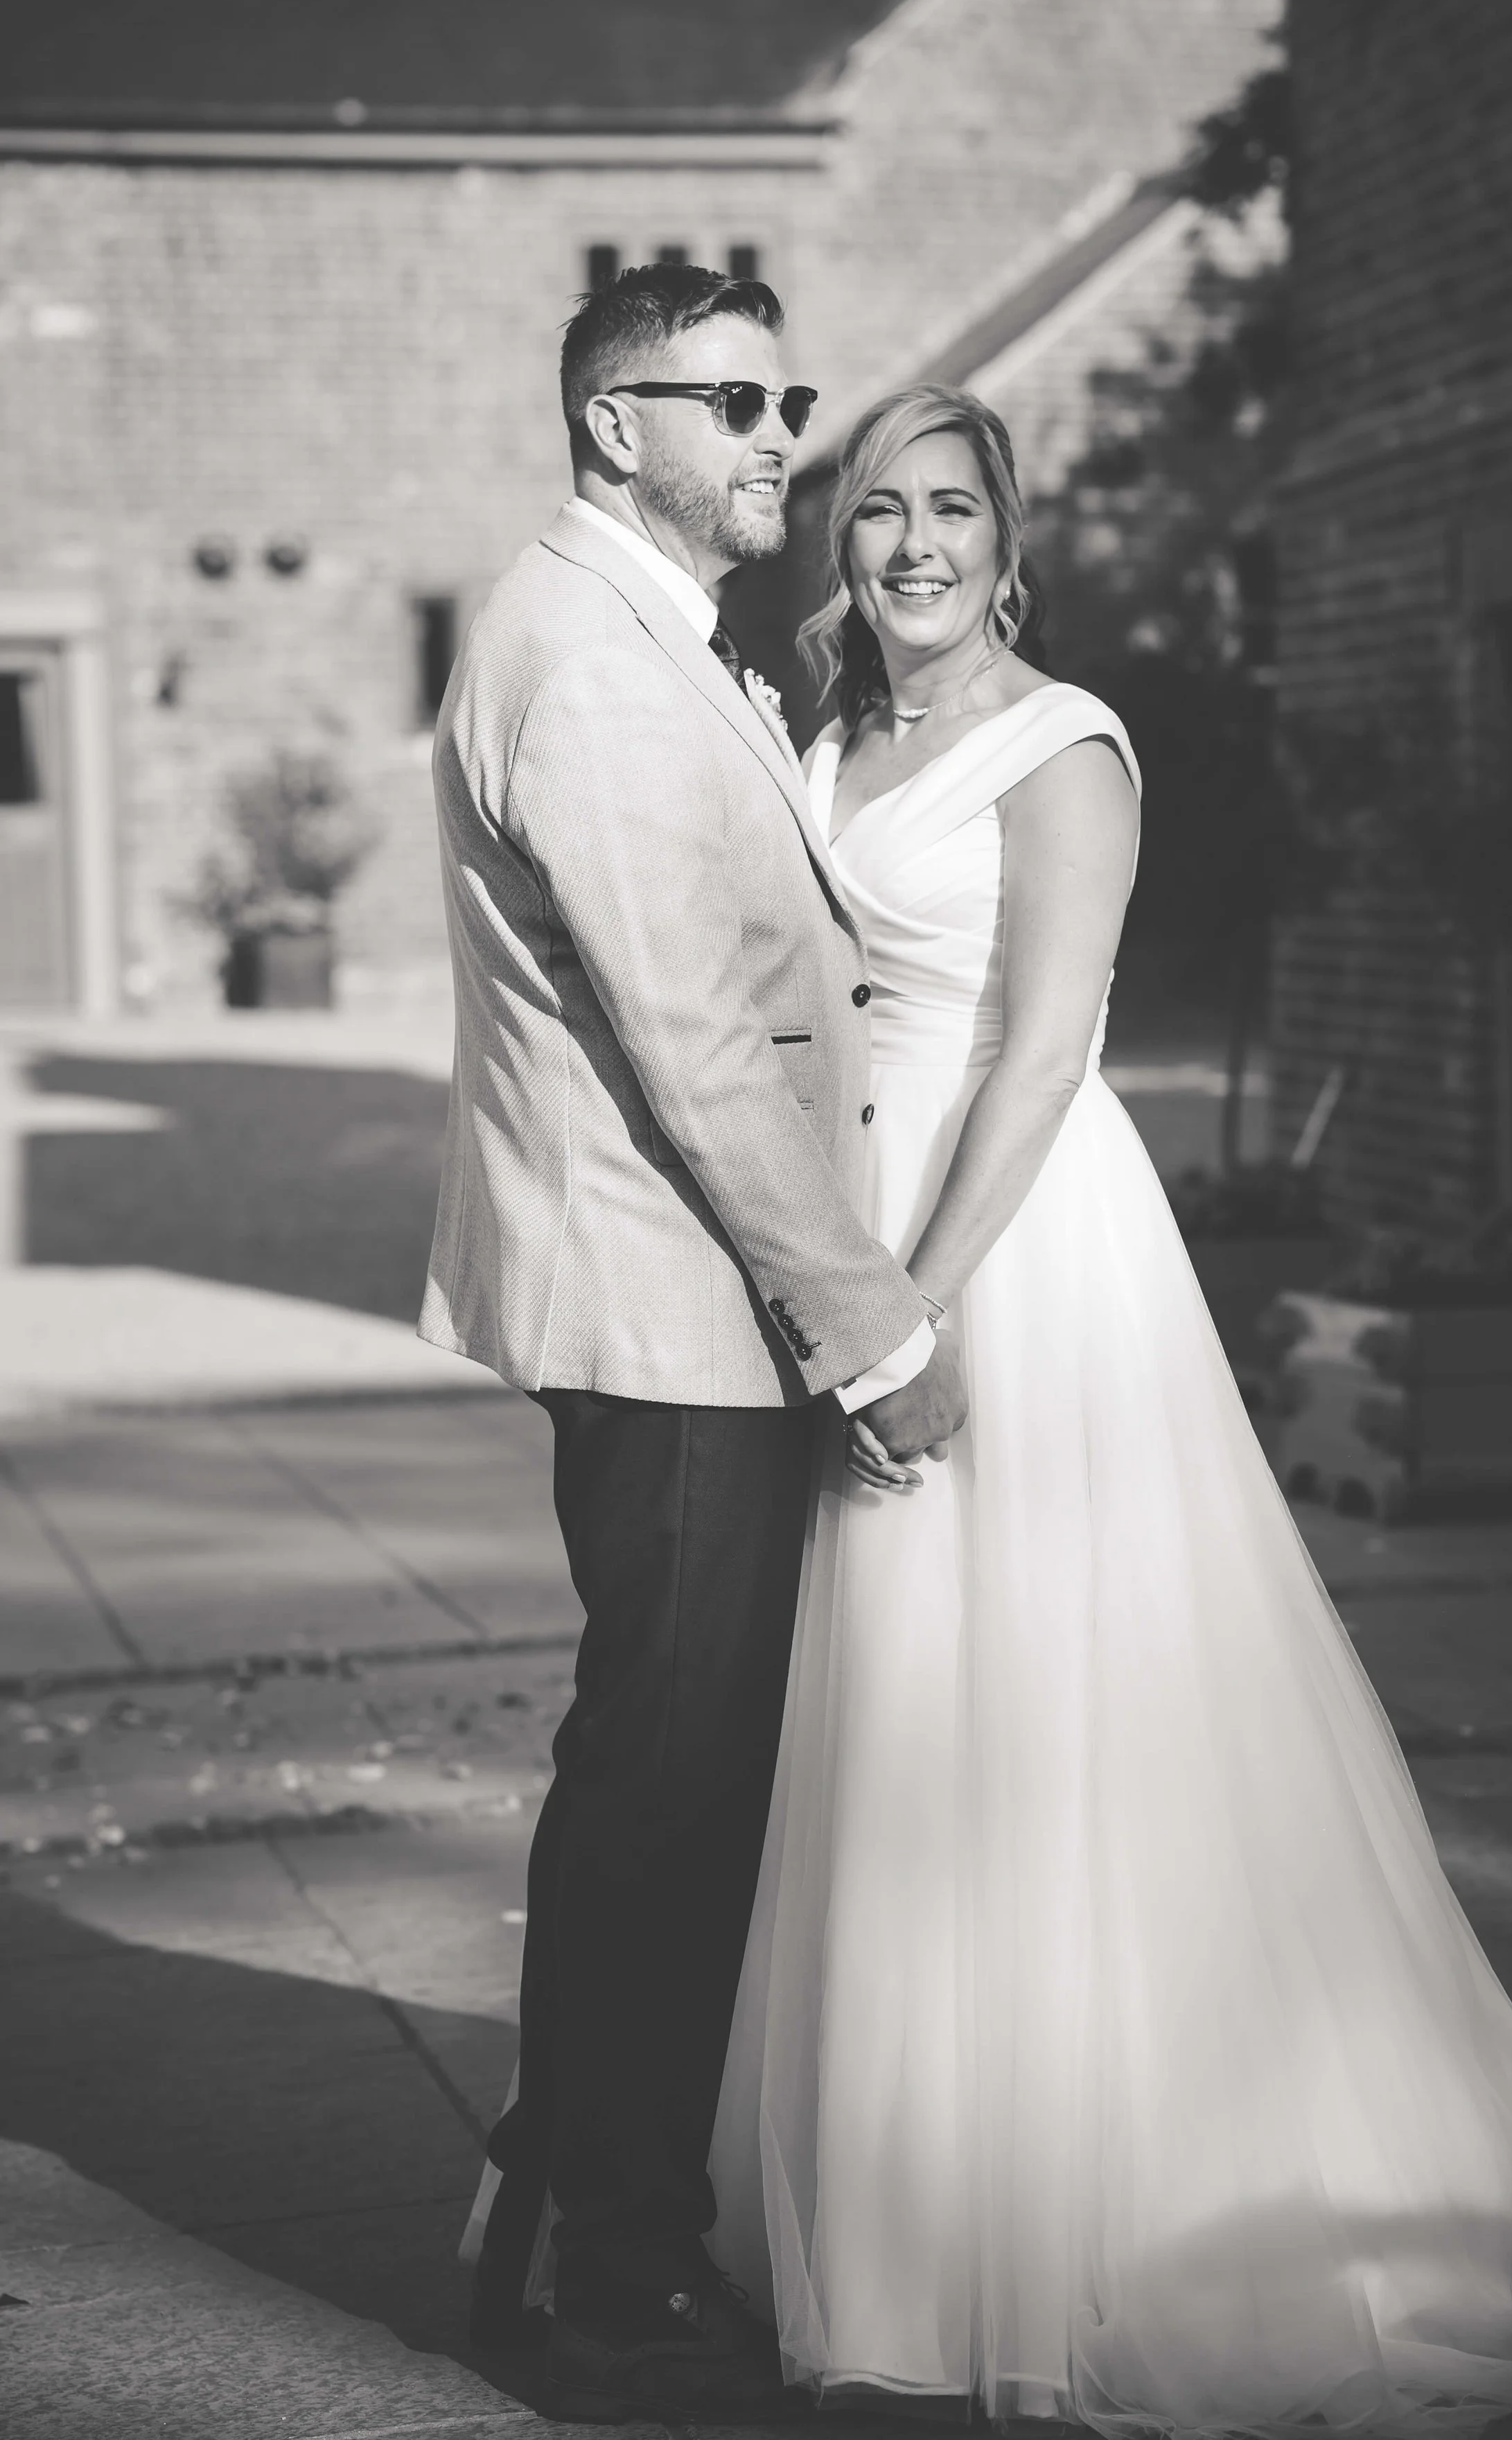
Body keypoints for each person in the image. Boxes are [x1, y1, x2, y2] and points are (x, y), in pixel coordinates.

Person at [703, 383, 1512, 2435]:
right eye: (879, 511)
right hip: (844, 1230)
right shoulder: (826, 729)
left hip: (1003, 1239)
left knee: (1052, 1695)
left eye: (950, 512)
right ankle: (915, 2190)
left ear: (1014, 542)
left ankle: (1129, 2196)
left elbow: (1038, 1053)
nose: (910, 544)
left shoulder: (1061, 745)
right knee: (893, 1716)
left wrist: (914, 1297)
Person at [422, 268, 965, 2425]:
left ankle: (565, 2183)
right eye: (729, 400)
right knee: (662, 1782)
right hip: (668, 1309)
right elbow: (696, 1050)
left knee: (669, 1771)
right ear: (605, 421)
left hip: (674, 1296)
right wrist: (870, 1322)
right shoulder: (591, 662)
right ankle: (602, 2255)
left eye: (786, 396)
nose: (776, 433)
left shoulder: (652, 634)